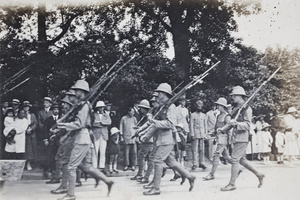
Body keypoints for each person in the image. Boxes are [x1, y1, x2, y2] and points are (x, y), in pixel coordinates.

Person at [57, 80, 114, 200]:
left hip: (81, 138)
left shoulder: (84, 106)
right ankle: (107, 181)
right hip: (83, 137)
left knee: (71, 167)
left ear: (81, 92)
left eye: (76, 90)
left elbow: (79, 124)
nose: (75, 92)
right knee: (86, 166)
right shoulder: (83, 105)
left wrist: (62, 125)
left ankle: (71, 195)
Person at [141, 83, 195, 195]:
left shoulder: (171, 107)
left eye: (159, 93)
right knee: (171, 162)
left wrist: (153, 121)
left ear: (164, 94)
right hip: (162, 139)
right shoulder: (163, 107)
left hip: (166, 140)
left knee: (157, 161)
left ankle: (156, 188)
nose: (157, 95)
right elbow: (157, 125)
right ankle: (190, 176)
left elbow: (171, 124)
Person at [219, 86, 264, 191]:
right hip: (236, 137)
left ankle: (232, 184)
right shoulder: (237, 108)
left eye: (234, 95)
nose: (233, 97)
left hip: (242, 138)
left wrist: (236, 123)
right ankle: (259, 174)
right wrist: (222, 129)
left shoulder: (247, 109)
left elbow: (248, 125)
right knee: (242, 160)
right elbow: (231, 123)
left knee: (234, 159)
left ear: (240, 96)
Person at [203, 98, 232, 181]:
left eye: (218, 105)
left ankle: (211, 174)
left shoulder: (227, 116)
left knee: (216, 155)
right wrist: (209, 134)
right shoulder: (218, 116)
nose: (217, 107)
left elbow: (229, 129)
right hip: (219, 138)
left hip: (224, 138)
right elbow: (216, 129)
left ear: (223, 106)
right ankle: (238, 168)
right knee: (226, 156)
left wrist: (229, 141)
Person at [131, 99, 153, 181]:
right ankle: (144, 175)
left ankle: (140, 174)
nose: (140, 109)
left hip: (148, 139)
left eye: (141, 108)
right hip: (147, 139)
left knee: (141, 156)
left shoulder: (148, 116)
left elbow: (148, 127)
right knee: (149, 157)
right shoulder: (145, 116)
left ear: (145, 108)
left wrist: (140, 131)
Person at [92, 100, 112, 171]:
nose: (101, 109)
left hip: (104, 135)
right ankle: (94, 166)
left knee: (103, 151)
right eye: (100, 107)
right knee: (95, 151)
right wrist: (103, 123)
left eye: (102, 107)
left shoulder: (106, 115)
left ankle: (102, 166)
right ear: (97, 108)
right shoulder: (94, 115)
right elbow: (93, 123)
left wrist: (100, 123)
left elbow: (109, 122)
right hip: (96, 134)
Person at [43, 103, 61, 179]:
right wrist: (45, 139)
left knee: (59, 156)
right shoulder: (48, 119)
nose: (56, 111)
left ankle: (57, 171)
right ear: (52, 110)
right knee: (50, 156)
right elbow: (45, 130)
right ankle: (49, 171)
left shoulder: (61, 119)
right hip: (51, 141)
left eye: (57, 109)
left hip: (59, 141)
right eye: (54, 109)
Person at [190, 99, 207, 170]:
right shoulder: (193, 115)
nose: (199, 108)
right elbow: (191, 125)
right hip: (196, 133)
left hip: (202, 133)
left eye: (200, 107)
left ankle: (202, 163)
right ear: (196, 107)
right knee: (195, 149)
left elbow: (205, 125)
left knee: (202, 149)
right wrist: (192, 134)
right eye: (198, 107)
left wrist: (206, 133)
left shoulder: (204, 115)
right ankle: (194, 163)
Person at [120, 107, 138, 171]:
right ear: (128, 111)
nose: (133, 113)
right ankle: (126, 165)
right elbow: (121, 127)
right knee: (126, 152)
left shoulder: (134, 119)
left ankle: (133, 165)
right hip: (126, 137)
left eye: (133, 112)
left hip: (133, 137)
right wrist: (121, 136)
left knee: (134, 152)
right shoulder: (123, 118)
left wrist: (136, 136)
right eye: (132, 112)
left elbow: (136, 127)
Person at [22, 101, 38, 171]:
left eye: (27, 107)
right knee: (24, 149)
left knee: (31, 149)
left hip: (31, 133)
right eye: (25, 107)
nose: (26, 108)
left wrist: (31, 129)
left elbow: (35, 123)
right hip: (23, 134)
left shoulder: (32, 115)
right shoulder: (21, 114)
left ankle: (29, 163)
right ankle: (23, 164)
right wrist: (25, 129)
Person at [176, 95, 190, 164]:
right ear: (180, 102)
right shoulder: (176, 109)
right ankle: (178, 156)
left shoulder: (186, 110)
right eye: (182, 101)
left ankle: (184, 155)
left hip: (185, 126)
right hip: (179, 126)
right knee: (179, 141)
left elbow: (187, 119)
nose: (183, 103)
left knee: (184, 141)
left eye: (184, 101)